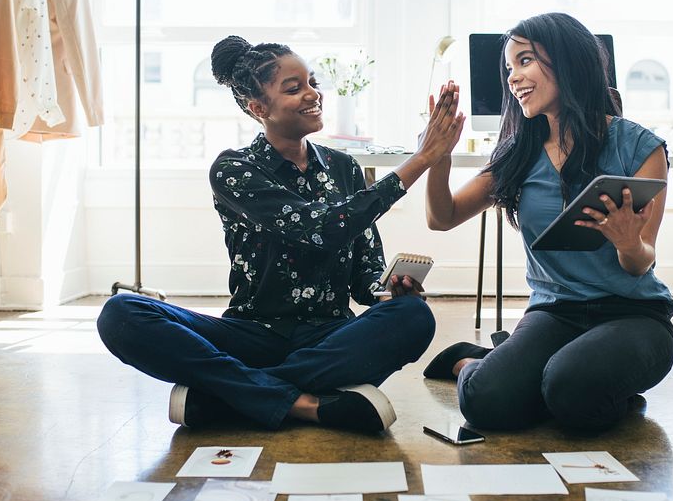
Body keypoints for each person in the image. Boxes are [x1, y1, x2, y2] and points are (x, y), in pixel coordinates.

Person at [97, 36, 464, 434]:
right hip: (251, 333)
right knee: (121, 314)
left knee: (413, 317)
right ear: (258, 108)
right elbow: (319, 229)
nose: (313, 94)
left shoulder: (344, 168)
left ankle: (233, 394)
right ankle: (307, 403)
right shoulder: (234, 170)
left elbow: (364, 280)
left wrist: (389, 289)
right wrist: (421, 159)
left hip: (329, 336)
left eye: (312, 82)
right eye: (294, 88)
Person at [421, 12, 673, 432]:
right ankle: (480, 362)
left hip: (633, 316)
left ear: (568, 62)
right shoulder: (519, 153)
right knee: (486, 402)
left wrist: (628, 242)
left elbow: (640, 262)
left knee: (571, 390)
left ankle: (562, 376)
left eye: (524, 61)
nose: (512, 77)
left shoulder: (640, 147)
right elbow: (441, 217)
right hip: (554, 313)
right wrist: (439, 157)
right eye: (509, 67)